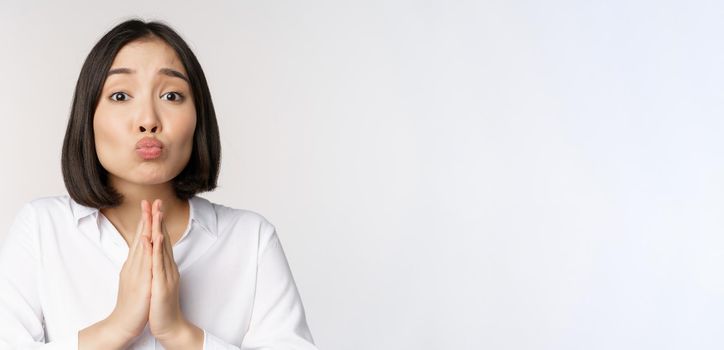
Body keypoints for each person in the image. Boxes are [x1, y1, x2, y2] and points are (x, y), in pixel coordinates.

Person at [0, 19, 317, 350]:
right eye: (120, 95)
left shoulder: (251, 240)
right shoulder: (42, 229)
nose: (148, 120)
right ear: (88, 115)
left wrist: (181, 334)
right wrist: (116, 328)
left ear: (199, 118)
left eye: (172, 95)